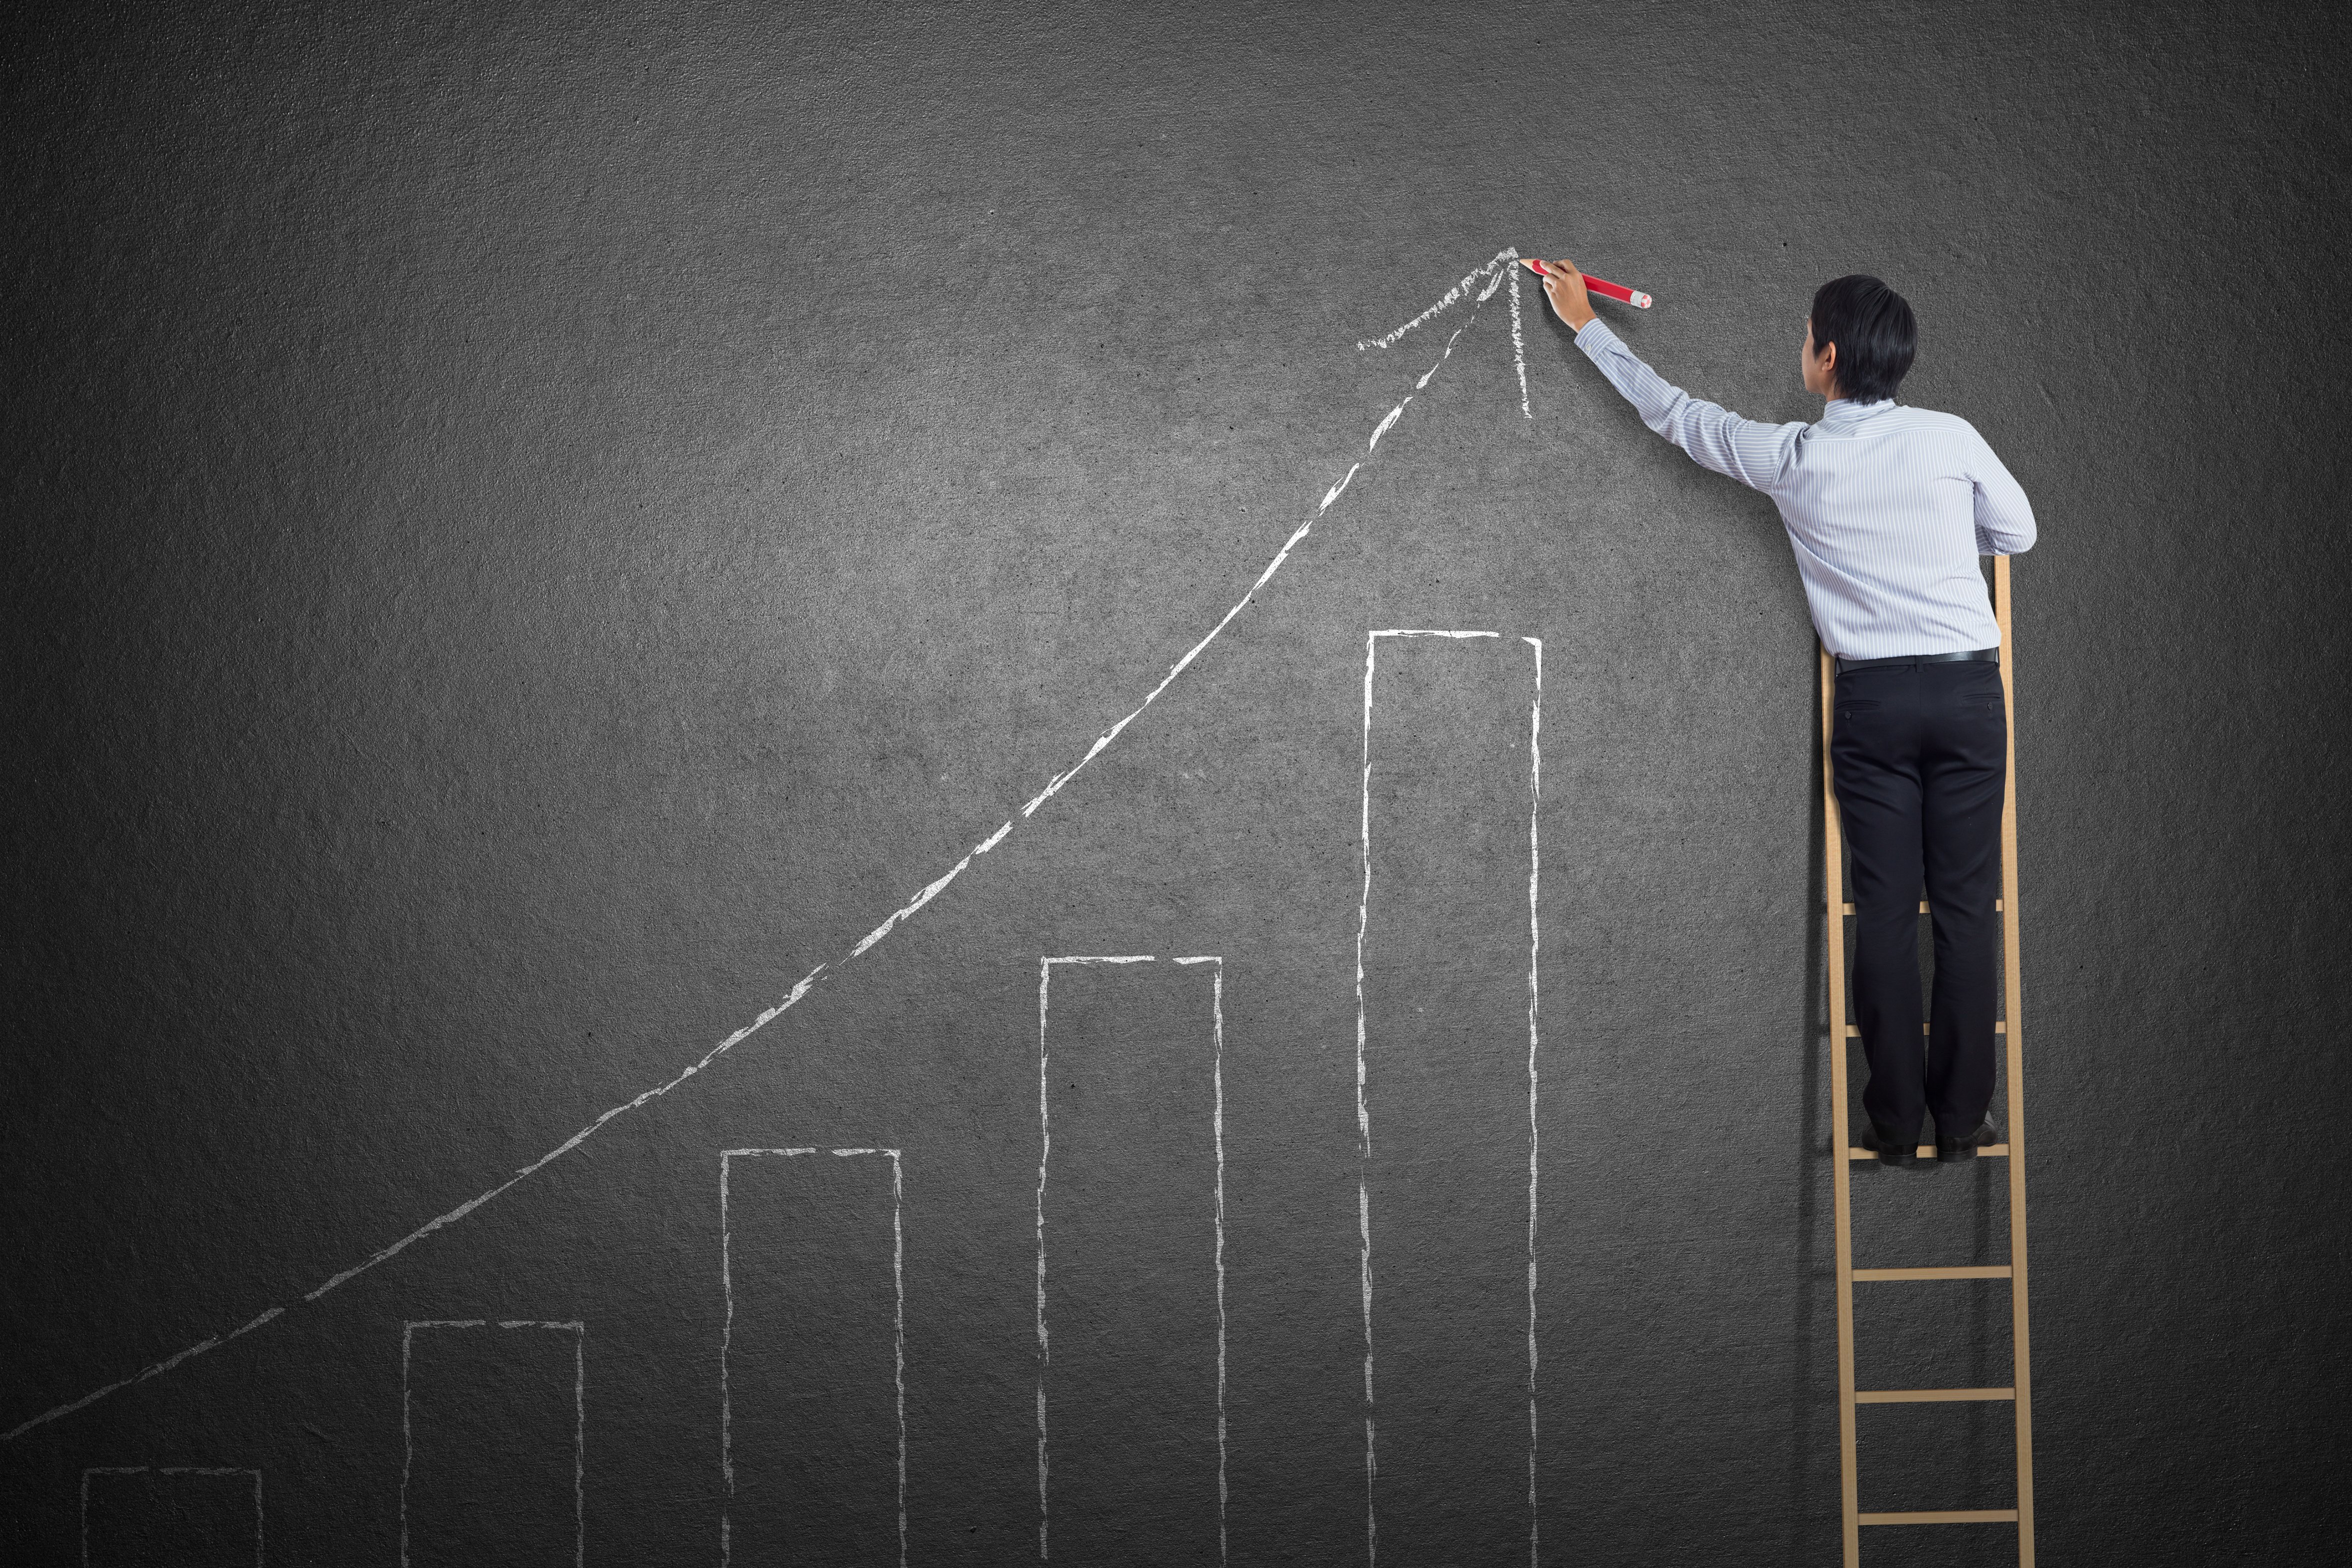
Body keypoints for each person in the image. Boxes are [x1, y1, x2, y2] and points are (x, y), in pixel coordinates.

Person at [1539, 260, 2035, 1169]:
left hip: (1876, 699)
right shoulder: (1953, 438)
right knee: (1967, 909)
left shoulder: (1794, 456)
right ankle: (1963, 1120)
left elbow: (1676, 416)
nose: (1800, 348)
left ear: (1830, 355)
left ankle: (1893, 1126)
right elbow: (2018, 533)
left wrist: (1585, 326)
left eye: (1806, 335)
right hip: (1969, 690)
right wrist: (1931, 542)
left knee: (1885, 911)